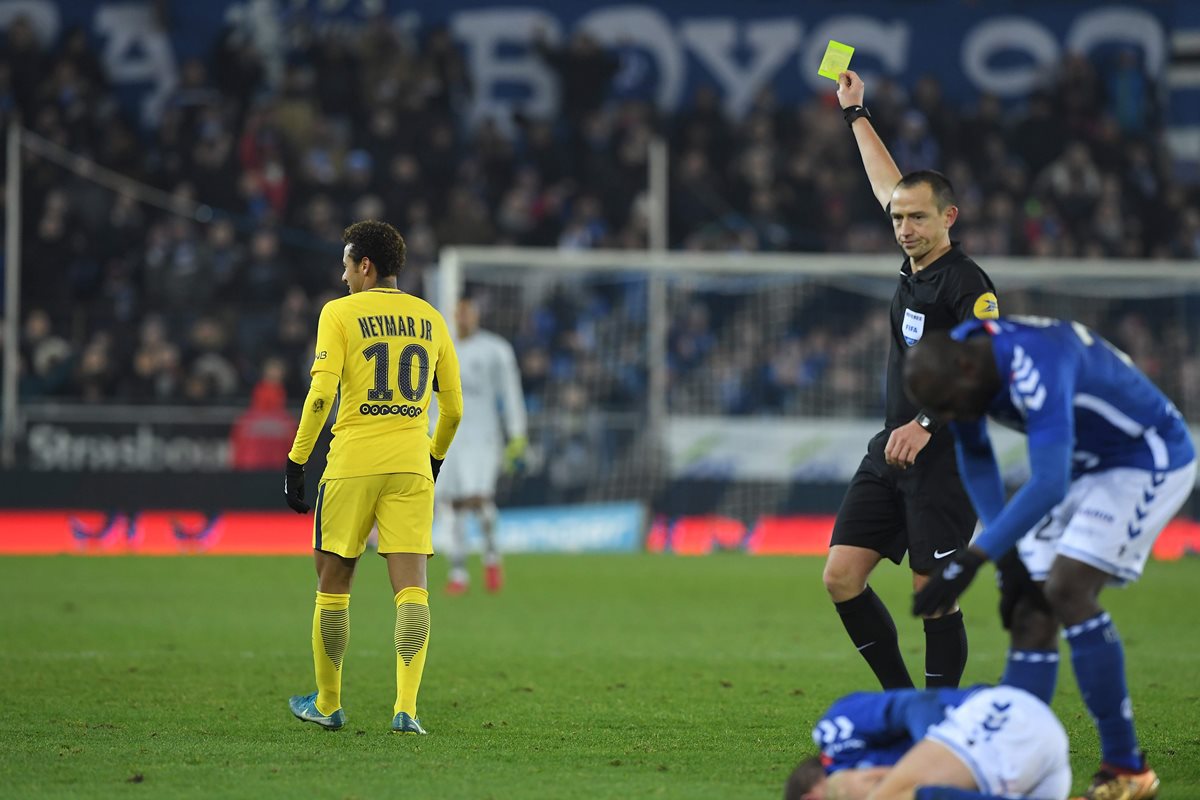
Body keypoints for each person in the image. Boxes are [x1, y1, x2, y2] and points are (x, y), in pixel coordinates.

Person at [906, 316, 1196, 800]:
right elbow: (976, 457)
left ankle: (1127, 769)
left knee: (1066, 587)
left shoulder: (1035, 361)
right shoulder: (962, 368)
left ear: (967, 369)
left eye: (951, 406)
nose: (952, 417)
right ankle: (1014, 765)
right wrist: (1007, 561)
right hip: (1083, 466)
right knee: (1028, 605)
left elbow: (1048, 483)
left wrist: (973, 558)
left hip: (1146, 457)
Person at [822, 69, 1000, 691]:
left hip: (944, 456)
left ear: (948, 217)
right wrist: (856, 113)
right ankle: (901, 703)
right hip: (890, 451)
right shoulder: (912, 261)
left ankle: (939, 714)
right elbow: (886, 185)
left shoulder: (967, 285)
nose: (904, 228)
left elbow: (983, 367)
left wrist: (926, 425)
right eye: (899, 219)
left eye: (918, 219)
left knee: (934, 598)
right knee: (841, 576)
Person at [282, 220, 463, 735]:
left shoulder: (339, 314)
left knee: (334, 582)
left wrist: (297, 460)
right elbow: (452, 409)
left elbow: (321, 396)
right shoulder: (430, 318)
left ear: (365, 265)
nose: (342, 278)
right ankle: (405, 709)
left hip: (352, 463)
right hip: (410, 463)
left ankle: (328, 702)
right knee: (412, 593)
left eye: (346, 266)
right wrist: (432, 460)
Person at [785, 684, 1071, 800]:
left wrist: (938, 747)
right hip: (1023, 773)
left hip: (1000, 720)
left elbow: (917, 704)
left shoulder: (834, 735)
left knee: (851, 789)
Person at [435, 294, 527, 595]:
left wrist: (517, 434)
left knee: (479, 500)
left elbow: (511, 393)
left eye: (468, 313)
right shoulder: (440, 347)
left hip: (484, 437)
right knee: (454, 506)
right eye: (458, 313)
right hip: (451, 438)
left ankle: (491, 555)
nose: (463, 318)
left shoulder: (496, 350)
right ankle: (459, 573)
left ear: (475, 315)